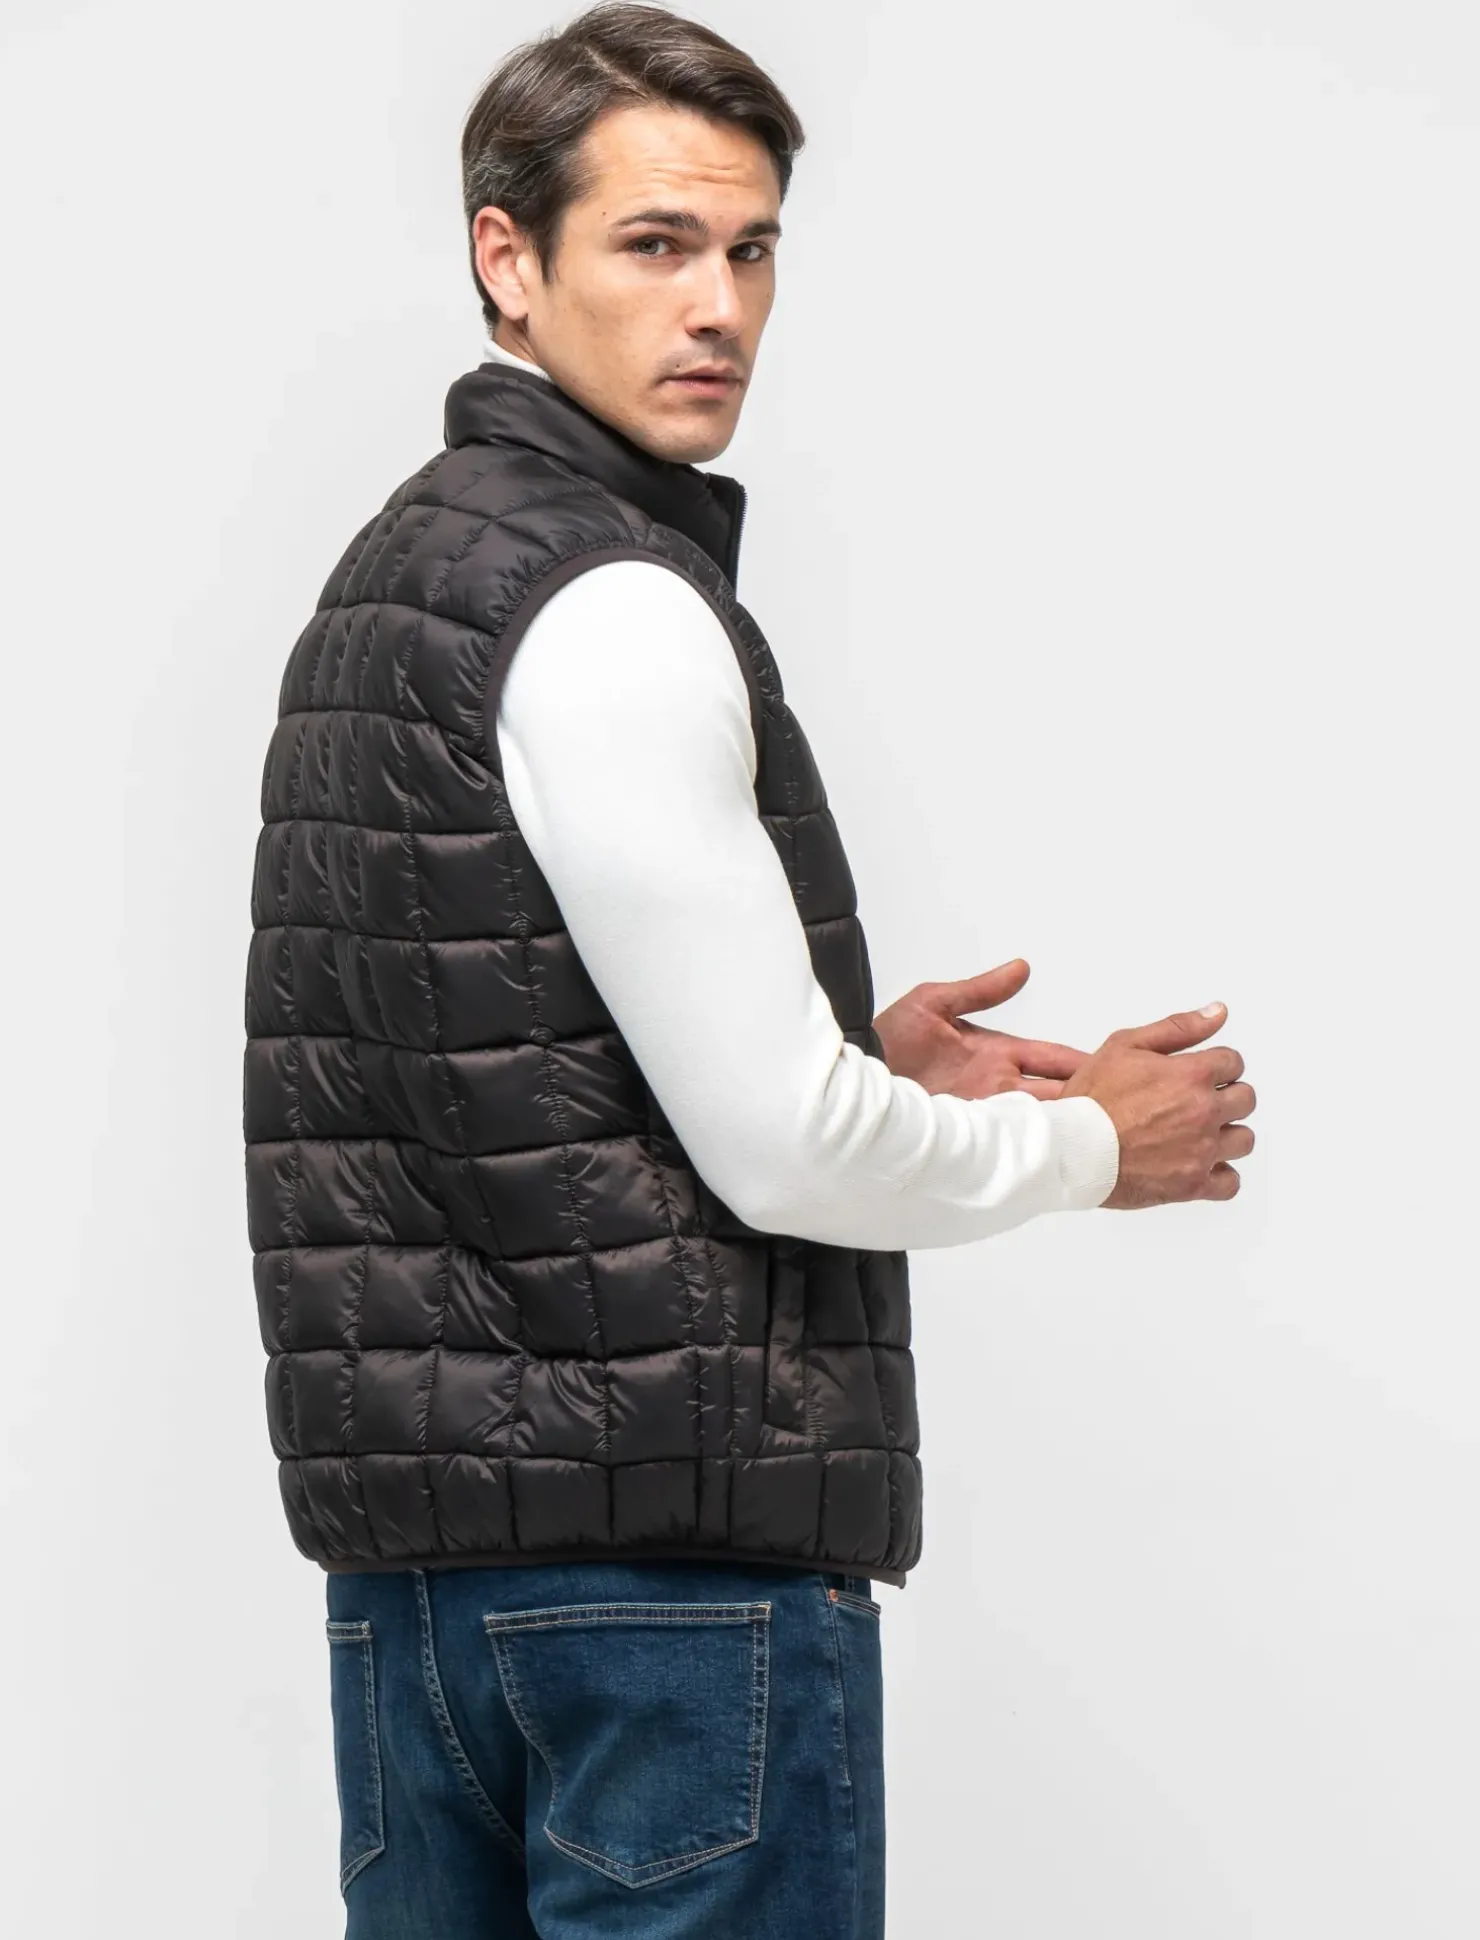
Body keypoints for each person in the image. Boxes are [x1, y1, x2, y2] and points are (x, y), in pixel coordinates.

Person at [241, 5, 1257, 1933]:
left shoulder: (397, 581)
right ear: (507, 259)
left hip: (419, 1612)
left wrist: (852, 1055)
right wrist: (1089, 1148)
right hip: (665, 1611)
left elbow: (486, 1069)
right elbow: (785, 1150)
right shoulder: (607, 605)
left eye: (752, 248)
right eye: (654, 244)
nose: (718, 306)